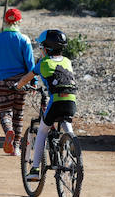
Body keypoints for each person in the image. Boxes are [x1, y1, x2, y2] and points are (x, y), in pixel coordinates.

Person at [12, 29, 77, 182]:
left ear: (46, 49)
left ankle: (35, 170)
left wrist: (17, 86)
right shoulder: (68, 61)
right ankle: (72, 142)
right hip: (71, 100)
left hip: (55, 101)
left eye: (41, 47)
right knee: (66, 122)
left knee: (42, 131)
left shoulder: (43, 63)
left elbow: (26, 78)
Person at [0, 8, 36, 156]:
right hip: (21, 80)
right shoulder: (24, 39)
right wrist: (33, 80)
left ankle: (9, 130)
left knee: (5, 112)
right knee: (19, 113)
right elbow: (30, 63)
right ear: (19, 21)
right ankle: (16, 147)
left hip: (2, 80)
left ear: (5, 21)